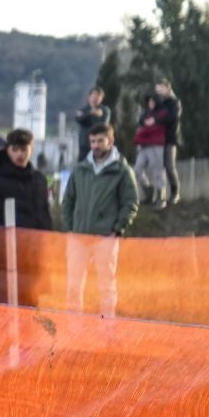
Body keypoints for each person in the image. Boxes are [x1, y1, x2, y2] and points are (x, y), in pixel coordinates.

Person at [61, 123, 139, 318]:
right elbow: (68, 200)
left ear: (110, 141)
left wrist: (117, 229)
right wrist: (69, 227)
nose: (95, 145)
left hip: (106, 237)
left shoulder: (121, 170)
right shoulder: (80, 169)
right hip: (78, 237)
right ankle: (73, 329)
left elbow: (130, 202)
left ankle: (107, 332)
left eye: (100, 141)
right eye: (92, 141)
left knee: (106, 287)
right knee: (73, 286)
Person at [0, 128, 54, 306]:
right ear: (8, 150)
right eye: (15, 150)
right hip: (7, 254)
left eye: (24, 149)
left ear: (31, 150)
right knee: (6, 299)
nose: (20, 154)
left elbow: (44, 213)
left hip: (34, 253)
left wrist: (46, 241)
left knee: (32, 300)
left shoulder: (39, 180)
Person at [152, 79, 183, 207]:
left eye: (160, 89)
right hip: (158, 139)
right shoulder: (160, 103)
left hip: (170, 139)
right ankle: (161, 196)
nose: (158, 92)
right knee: (159, 168)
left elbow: (172, 117)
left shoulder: (175, 102)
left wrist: (158, 120)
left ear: (168, 88)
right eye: (157, 90)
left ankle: (175, 193)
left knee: (169, 166)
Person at [133, 95, 167, 206]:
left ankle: (161, 198)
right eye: (149, 101)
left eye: (153, 101)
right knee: (137, 169)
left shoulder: (162, 113)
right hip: (144, 145)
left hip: (156, 145)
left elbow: (154, 127)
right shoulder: (145, 114)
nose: (150, 103)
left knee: (158, 171)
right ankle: (149, 192)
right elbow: (142, 123)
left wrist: (150, 124)